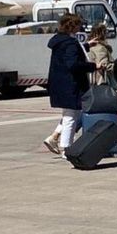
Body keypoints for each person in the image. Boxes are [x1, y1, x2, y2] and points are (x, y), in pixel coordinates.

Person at [43, 13, 94, 155]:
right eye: (78, 24)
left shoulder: (59, 40)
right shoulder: (70, 43)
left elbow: (68, 53)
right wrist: (92, 66)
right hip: (71, 84)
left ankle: (54, 137)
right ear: (72, 26)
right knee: (72, 116)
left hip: (59, 82)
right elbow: (72, 63)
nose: (80, 27)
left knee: (70, 114)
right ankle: (67, 148)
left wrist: (86, 46)